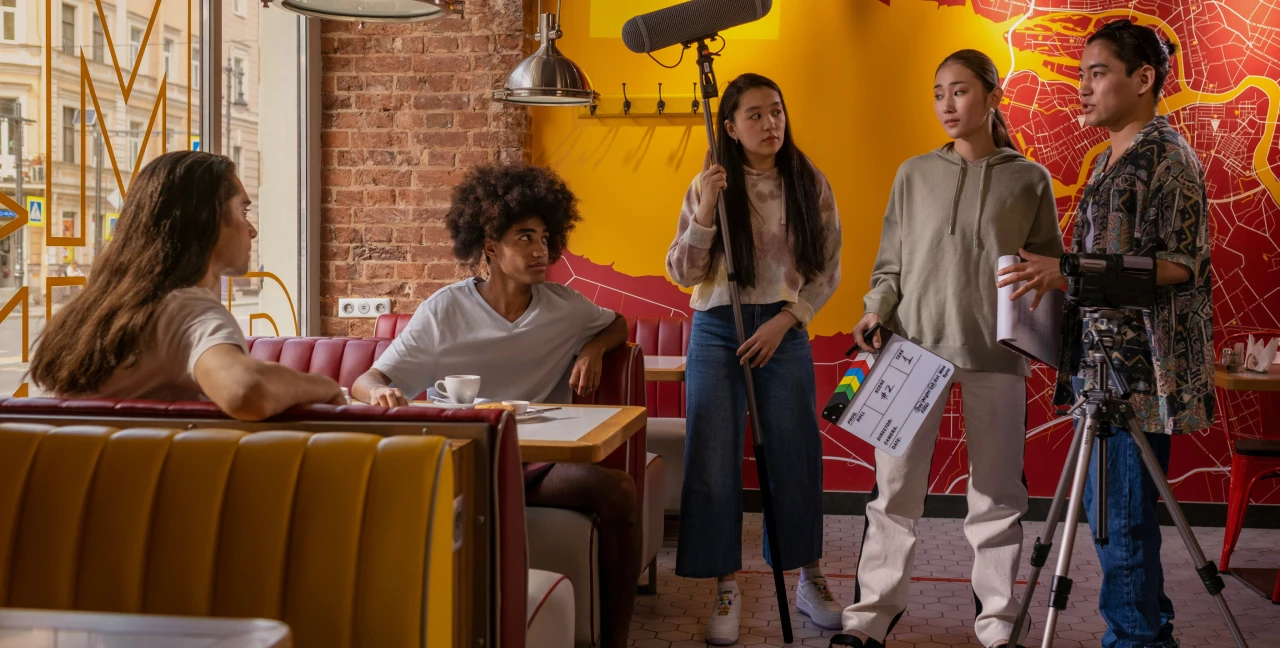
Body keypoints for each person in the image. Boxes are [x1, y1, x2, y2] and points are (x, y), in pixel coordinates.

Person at [349, 163, 639, 648]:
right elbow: (368, 378)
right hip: (464, 460)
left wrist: (593, 348)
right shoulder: (445, 311)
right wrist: (378, 392)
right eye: (524, 237)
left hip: (538, 463)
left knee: (621, 493)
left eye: (545, 237)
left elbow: (617, 324)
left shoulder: (565, 307)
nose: (540, 250)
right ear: (489, 247)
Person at [832, 50, 1065, 648]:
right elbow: (890, 266)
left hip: (996, 355)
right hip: (913, 352)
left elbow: (1046, 269)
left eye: (959, 91)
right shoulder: (913, 174)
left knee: (996, 497)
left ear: (992, 96)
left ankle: (997, 624)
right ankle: (869, 621)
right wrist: (874, 310)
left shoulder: (1029, 179)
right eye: (938, 93)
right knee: (894, 495)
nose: (946, 104)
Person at [997, 21, 1211, 648]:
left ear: (1143, 79)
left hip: (1137, 379)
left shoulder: (1167, 156)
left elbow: (1181, 265)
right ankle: (1141, 632)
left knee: (1121, 521)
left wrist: (1063, 272)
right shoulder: (1111, 158)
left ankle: (1138, 640)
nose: (1082, 88)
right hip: (1099, 374)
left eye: (1098, 73)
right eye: (1082, 73)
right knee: (1110, 519)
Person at [666, 73, 844, 644]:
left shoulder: (807, 179)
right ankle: (726, 582)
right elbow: (682, 273)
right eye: (755, 115)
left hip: (783, 326)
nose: (770, 125)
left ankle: (808, 575)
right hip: (718, 325)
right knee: (713, 457)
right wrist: (710, 204)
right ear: (730, 126)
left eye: (777, 112)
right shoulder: (708, 184)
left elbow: (827, 266)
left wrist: (787, 319)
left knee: (794, 452)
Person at [28, 151, 344, 420]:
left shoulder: (96, 312)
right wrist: (324, 385)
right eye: (243, 211)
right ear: (205, 219)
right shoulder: (187, 310)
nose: (251, 230)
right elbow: (244, 389)